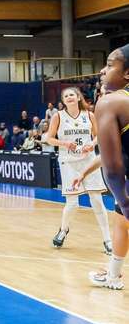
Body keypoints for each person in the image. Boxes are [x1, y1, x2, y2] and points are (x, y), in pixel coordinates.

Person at [83, 44, 129, 290]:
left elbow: (113, 168)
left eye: (110, 65)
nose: (102, 70)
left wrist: (123, 199)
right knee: (121, 223)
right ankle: (113, 274)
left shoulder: (110, 102)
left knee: (122, 217)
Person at [44, 87, 112, 253]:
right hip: (68, 161)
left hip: (88, 161)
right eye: (65, 95)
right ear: (63, 100)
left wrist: (92, 144)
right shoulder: (58, 116)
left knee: (97, 200)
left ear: (78, 97)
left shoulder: (89, 115)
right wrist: (65, 144)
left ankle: (107, 239)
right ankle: (63, 229)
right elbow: (48, 139)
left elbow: (98, 135)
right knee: (72, 203)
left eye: (71, 95)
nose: (69, 97)